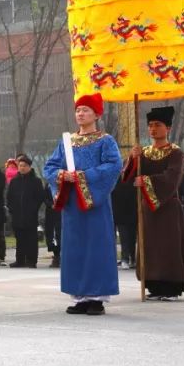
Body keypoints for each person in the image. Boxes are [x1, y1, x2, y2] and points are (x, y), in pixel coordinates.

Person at [43, 93, 122, 316]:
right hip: (72, 206)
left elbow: (114, 166)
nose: (80, 114)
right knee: (75, 249)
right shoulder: (67, 142)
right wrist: (61, 175)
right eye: (78, 110)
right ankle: (79, 296)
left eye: (86, 110)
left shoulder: (105, 141)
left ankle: (97, 298)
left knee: (96, 247)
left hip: (94, 204)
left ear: (97, 114)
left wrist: (82, 176)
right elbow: (49, 167)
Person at [121, 106, 184, 299]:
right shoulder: (144, 152)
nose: (152, 129)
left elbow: (172, 178)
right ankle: (152, 284)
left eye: (157, 125)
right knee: (149, 246)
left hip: (168, 207)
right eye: (150, 125)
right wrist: (133, 158)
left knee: (168, 246)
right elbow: (127, 176)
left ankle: (171, 287)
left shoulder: (176, 153)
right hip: (147, 209)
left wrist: (147, 182)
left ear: (168, 128)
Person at [7, 156, 47, 267]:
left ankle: (31, 260)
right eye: (20, 166)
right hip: (17, 215)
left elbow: (40, 197)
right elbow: (9, 197)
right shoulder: (14, 181)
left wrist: (33, 208)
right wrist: (12, 209)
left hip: (31, 215)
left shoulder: (36, 181)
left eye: (25, 166)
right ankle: (19, 260)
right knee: (19, 239)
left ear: (29, 167)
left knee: (31, 239)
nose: (22, 168)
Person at [111, 178, 138, 270]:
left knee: (128, 235)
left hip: (128, 206)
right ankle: (117, 258)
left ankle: (128, 258)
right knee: (114, 235)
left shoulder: (130, 171)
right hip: (115, 206)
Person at [44, 182, 62, 268]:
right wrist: (51, 204)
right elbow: (44, 197)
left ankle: (65, 257)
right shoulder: (48, 184)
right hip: (51, 212)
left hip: (63, 212)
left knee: (61, 234)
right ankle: (56, 257)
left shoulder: (67, 180)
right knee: (52, 235)